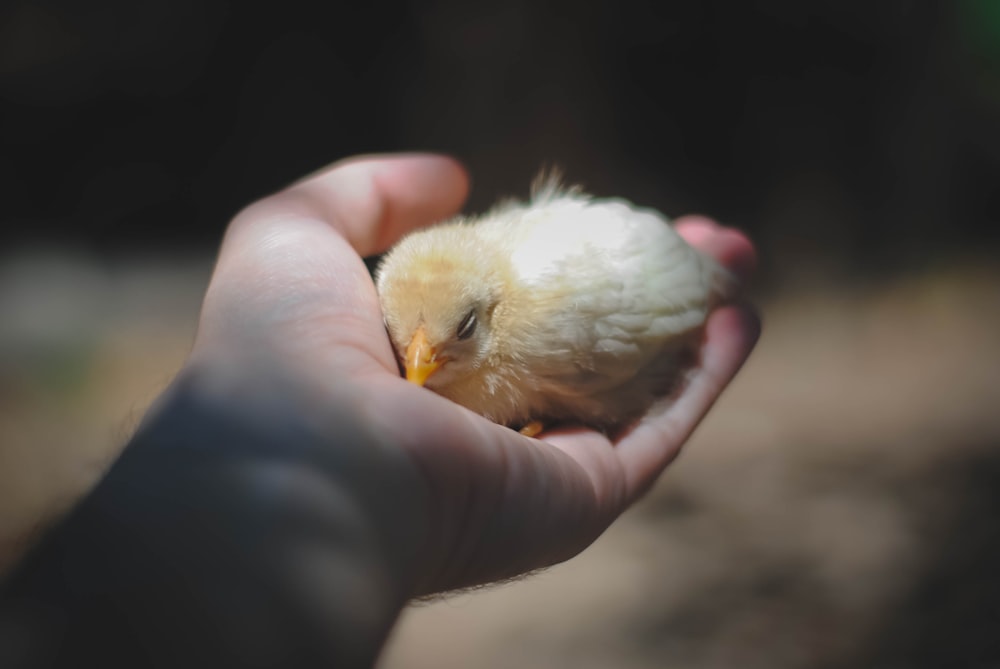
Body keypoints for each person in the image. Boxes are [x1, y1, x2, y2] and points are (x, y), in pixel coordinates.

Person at [0, 154, 759, 668]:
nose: (420, 363)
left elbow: (672, 291)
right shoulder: (423, 298)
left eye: (456, 336)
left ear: (492, 311)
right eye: (405, 340)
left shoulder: (554, 316)